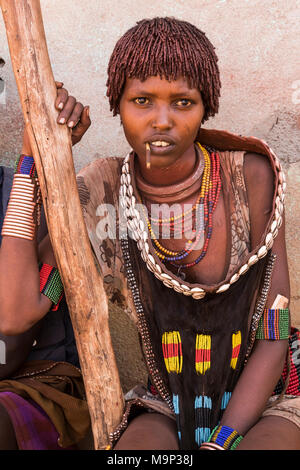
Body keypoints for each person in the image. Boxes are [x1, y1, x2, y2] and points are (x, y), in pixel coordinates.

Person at [1, 16, 300, 450]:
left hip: (266, 399)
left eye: (183, 102)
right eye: (141, 100)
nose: (162, 120)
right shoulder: (100, 194)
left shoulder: (250, 178)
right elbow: (16, 311)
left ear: (206, 106)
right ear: (116, 105)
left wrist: (221, 444)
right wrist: (34, 157)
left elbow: (274, 335)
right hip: (166, 403)